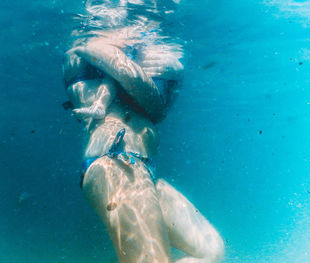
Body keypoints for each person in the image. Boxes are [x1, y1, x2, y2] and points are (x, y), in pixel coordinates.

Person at [63, 1, 224, 262]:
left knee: (211, 250)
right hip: (117, 161)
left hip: (140, 166)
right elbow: (132, 81)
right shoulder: (102, 43)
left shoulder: (124, 52)